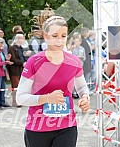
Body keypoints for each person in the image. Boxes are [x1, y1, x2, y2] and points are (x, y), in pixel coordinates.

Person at [16, 16, 90, 147]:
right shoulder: (34, 62)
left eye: (63, 35)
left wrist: (85, 98)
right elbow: (20, 98)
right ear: (46, 36)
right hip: (38, 127)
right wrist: (47, 98)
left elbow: (82, 87)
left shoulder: (74, 61)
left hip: (67, 126)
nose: (59, 40)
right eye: (55, 35)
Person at [7, 34, 26, 107]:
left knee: (20, 86)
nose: (23, 40)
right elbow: (13, 59)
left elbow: (23, 57)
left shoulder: (21, 48)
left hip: (21, 69)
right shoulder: (12, 48)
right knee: (15, 86)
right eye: (22, 39)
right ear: (18, 39)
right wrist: (22, 63)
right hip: (14, 69)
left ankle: (20, 100)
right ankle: (15, 101)